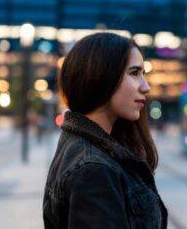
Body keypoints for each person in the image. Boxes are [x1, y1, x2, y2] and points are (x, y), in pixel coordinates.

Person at [43, 32, 167, 228]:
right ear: (101, 76)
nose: (146, 87)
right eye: (134, 73)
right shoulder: (93, 169)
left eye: (144, 74)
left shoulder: (81, 146)